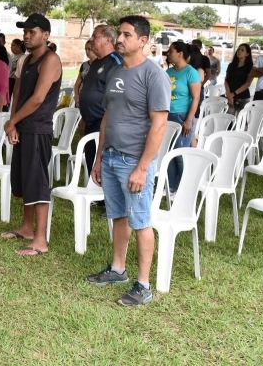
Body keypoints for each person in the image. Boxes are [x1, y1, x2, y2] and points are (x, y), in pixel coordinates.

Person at [86, 15, 170, 307]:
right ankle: (118, 269)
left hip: (134, 160)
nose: (119, 39)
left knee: (141, 221)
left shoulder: (153, 75)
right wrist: (99, 158)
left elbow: (159, 125)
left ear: (143, 41)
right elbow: (107, 117)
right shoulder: (115, 71)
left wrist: (142, 168)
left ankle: (144, 285)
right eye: (119, 34)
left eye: (126, 35)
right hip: (111, 156)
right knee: (119, 216)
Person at [1, 14, 61, 256]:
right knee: (25, 180)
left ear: (45, 35)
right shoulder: (25, 60)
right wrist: (12, 124)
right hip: (22, 126)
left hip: (38, 128)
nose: (26, 36)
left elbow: (37, 99)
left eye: (32, 32)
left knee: (37, 182)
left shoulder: (51, 60)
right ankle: (27, 228)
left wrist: (12, 122)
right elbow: (17, 93)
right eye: (25, 32)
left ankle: (40, 240)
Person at [78, 25, 122, 175]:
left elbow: (118, 95)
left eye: (95, 36)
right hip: (90, 121)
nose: (91, 39)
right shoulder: (96, 62)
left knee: (102, 166)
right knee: (92, 163)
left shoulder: (116, 62)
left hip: (103, 122)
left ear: (107, 40)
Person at [165, 41, 202, 196]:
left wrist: (188, 120)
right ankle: (171, 187)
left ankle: (185, 188)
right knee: (169, 152)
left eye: (171, 51)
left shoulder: (191, 72)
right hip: (168, 115)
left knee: (180, 153)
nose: (168, 53)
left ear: (180, 53)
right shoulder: (168, 72)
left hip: (182, 116)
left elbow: (196, 98)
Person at [224, 43, 254, 114]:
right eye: (238, 49)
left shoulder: (250, 67)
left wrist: (233, 94)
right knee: (229, 118)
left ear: (247, 54)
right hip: (230, 96)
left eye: (242, 50)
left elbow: (248, 83)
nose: (239, 51)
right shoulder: (231, 65)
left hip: (243, 97)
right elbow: (226, 80)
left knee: (243, 119)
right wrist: (229, 94)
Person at [73, 39, 96, 109]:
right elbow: (77, 84)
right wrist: (77, 96)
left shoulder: (101, 65)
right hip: (82, 97)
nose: (87, 52)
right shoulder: (84, 65)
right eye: (85, 49)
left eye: (89, 49)